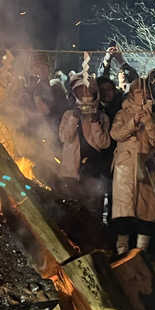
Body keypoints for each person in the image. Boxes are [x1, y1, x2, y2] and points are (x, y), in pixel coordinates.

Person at [110, 78, 155, 255]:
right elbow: (115, 134)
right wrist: (132, 123)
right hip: (125, 167)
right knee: (123, 210)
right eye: (137, 92)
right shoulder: (122, 113)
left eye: (144, 92)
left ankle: (141, 252)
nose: (141, 95)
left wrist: (149, 122)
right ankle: (122, 250)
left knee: (146, 210)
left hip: (147, 165)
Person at [57, 74, 112, 215]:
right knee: (71, 212)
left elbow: (104, 143)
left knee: (92, 213)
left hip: (93, 173)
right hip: (71, 172)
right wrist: (74, 118)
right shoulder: (68, 114)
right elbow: (65, 137)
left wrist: (94, 122)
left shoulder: (102, 117)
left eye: (88, 91)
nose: (85, 95)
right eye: (81, 92)